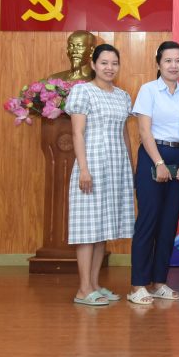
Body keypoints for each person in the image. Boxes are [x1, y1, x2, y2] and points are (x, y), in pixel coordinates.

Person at [64, 44, 134, 306]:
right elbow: (77, 133)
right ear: (93, 65)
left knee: (102, 228)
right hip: (92, 165)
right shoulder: (83, 91)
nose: (109, 68)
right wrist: (84, 168)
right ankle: (83, 289)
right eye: (104, 63)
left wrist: (130, 166)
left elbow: (124, 133)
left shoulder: (123, 96)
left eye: (114, 63)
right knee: (87, 229)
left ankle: (94, 284)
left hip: (116, 167)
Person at [128, 41, 179, 305]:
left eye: (178, 60)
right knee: (148, 221)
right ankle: (138, 285)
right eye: (168, 60)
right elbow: (144, 131)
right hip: (153, 156)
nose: (173, 65)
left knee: (169, 224)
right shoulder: (148, 90)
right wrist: (158, 162)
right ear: (158, 64)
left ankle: (159, 282)